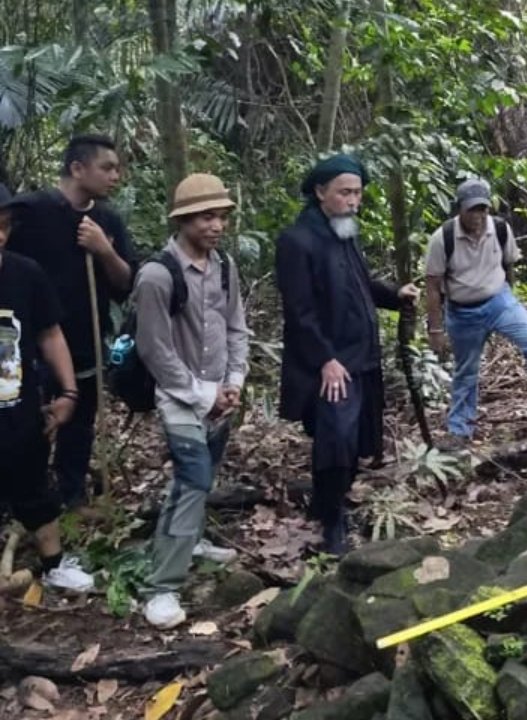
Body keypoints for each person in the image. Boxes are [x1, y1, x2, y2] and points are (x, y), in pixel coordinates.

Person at [276, 155, 418, 555]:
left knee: (356, 439)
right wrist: (325, 359)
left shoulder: (345, 233)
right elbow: (299, 310)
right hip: (331, 362)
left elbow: (359, 284)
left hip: (362, 355)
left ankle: (329, 504)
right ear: (321, 193)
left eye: (357, 193)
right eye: (345, 192)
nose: (353, 201)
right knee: (335, 438)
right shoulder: (297, 240)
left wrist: (393, 295)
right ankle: (332, 520)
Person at [133, 173, 249, 628]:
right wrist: (204, 395)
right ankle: (161, 587)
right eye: (206, 216)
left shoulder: (224, 267)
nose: (216, 225)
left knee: (207, 469)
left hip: (221, 391)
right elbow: (155, 349)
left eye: (221, 216)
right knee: (193, 478)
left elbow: (236, 325)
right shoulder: (157, 276)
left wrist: (235, 379)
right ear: (182, 220)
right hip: (181, 398)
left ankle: (192, 538)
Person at [6, 135, 136, 514]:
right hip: (24, 342)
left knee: (79, 423)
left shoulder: (107, 221)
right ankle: (21, 501)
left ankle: (71, 494)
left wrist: (104, 249)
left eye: (117, 168)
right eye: (107, 167)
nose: (116, 176)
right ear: (78, 169)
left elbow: (126, 281)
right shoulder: (28, 211)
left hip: (86, 338)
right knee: (22, 422)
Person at [424, 178, 527, 447]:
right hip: (462, 311)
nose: (478, 215)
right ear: (459, 209)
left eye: (483, 209)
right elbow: (432, 286)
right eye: (472, 209)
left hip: (499, 301)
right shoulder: (443, 238)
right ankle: (460, 430)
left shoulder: (499, 229)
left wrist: (510, 300)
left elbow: (509, 265)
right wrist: (435, 329)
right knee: (466, 370)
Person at [0, 184, 95, 591]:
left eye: (3, 226)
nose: (0, 235)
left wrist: (69, 392)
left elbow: (50, 333)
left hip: (18, 407)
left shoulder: (24, 273)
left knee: (35, 483)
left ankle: (55, 564)